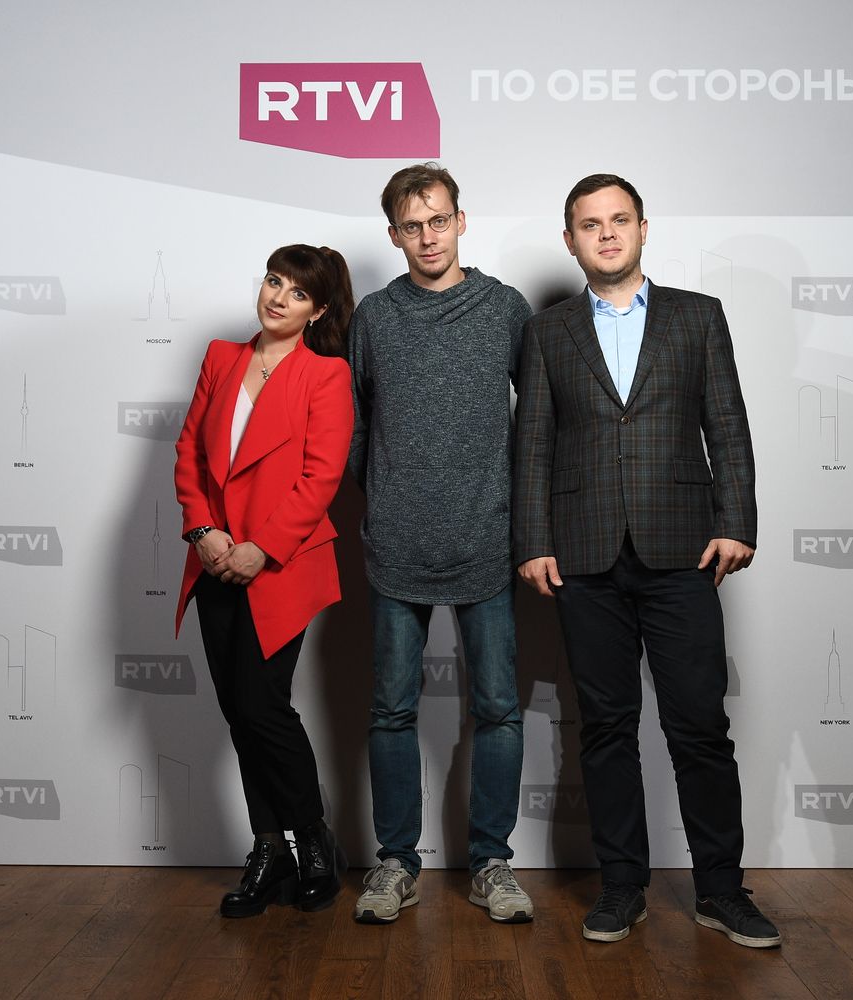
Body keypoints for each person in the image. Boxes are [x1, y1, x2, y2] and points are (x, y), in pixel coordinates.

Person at [513, 174, 781, 948]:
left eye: (619, 219)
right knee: (605, 729)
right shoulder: (548, 331)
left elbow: (726, 425)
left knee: (699, 727)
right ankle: (621, 887)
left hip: (682, 549)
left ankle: (721, 891)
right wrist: (533, 539)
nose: (606, 233)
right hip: (584, 553)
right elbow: (533, 442)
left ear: (642, 228)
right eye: (590, 223)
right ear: (570, 240)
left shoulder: (699, 317)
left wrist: (737, 521)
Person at [347, 163, 534, 925]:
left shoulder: (506, 309)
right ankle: (396, 863)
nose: (427, 237)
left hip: (487, 538)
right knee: (391, 711)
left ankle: (491, 862)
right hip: (396, 543)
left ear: (460, 221)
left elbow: (539, 423)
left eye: (438, 221)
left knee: (499, 710)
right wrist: (383, 498)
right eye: (411, 226)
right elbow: (357, 427)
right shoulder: (374, 316)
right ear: (393, 235)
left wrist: (521, 517)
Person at [174, 244, 355, 917]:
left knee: (260, 706)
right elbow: (189, 452)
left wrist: (261, 548)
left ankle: (312, 841)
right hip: (214, 558)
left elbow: (321, 477)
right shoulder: (222, 357)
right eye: (274, 281)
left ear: (319, 311)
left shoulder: (326, 374)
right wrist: (203, 530)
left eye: (298, 292)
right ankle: (271, 846)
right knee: (239, 711)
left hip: (281, 564)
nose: (278, 298)